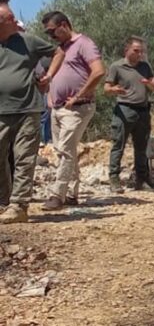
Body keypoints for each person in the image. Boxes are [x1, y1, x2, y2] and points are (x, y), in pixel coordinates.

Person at [40, 11, 105, 211]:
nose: (51, 36)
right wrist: (50, 96)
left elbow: (99, 71)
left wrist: (78, 96)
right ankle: (71, 193)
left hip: (78, 108)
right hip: (58, 108)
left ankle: (56, 194)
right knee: (64, 151)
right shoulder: (61, 49)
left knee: (65, 149)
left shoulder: (84, 44)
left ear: (64, 25)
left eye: (53, 31)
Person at [0, 3, 56, 223]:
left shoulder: (29, 41)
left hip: (28, 109)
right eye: (11, 18)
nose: (16, 21)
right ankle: (4, 201)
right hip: (2, 111)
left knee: (24, 157)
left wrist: (48, 76)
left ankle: (19, 205)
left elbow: (59, 52)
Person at [103, 36, 154, 193]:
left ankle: (142, 180)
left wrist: (149, 83)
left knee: (141, 147)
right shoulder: (117, 67)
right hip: (124, 109)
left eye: (141, 51)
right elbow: (106, 89)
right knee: (118, 145)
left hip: (143, 110)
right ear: (126, 50)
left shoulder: (145, 66)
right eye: (136, 51)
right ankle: (114, 179)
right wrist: (114, 90)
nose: (139, 54)